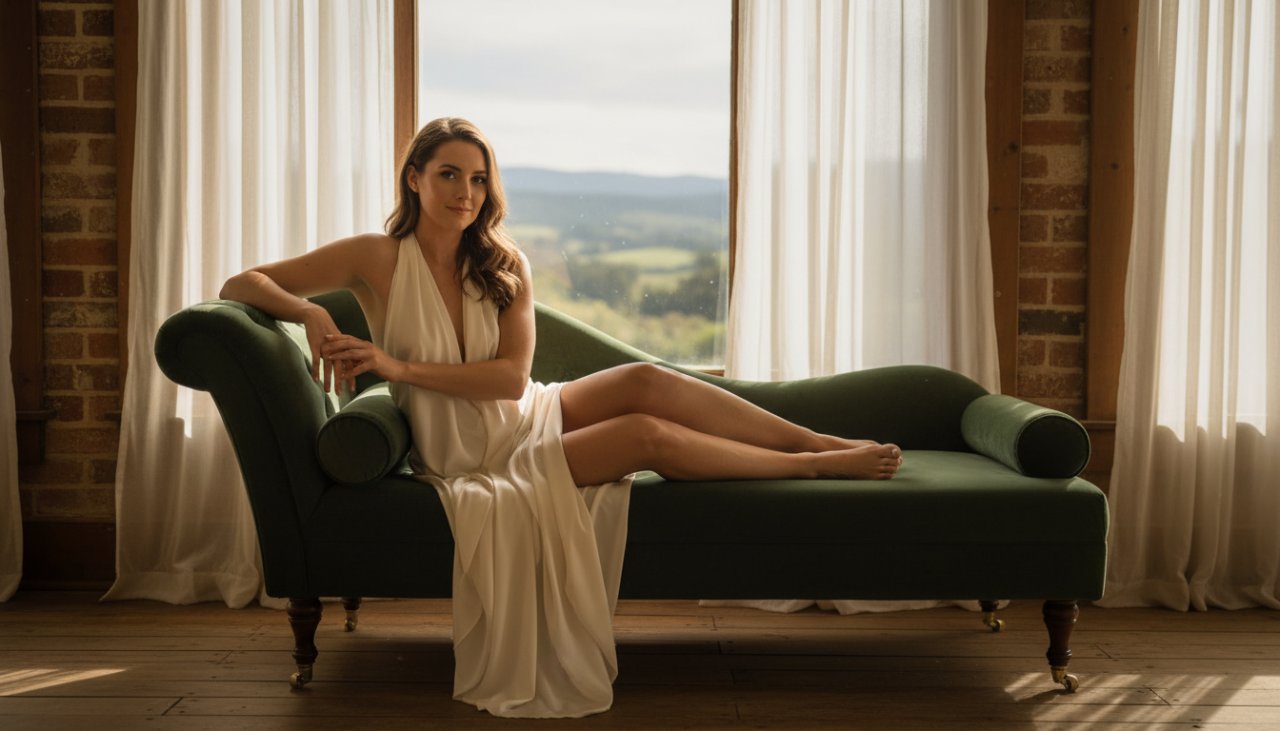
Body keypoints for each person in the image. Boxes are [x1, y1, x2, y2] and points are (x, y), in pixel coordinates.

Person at [220, 117, 902, 718]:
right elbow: (240, 284)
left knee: (647, 379)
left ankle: (817, 437)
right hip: (474, 455)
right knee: (645, 436)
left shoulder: (503, 260)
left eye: (480, 179)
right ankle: (809, 463)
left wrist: (394, 368)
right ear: (414, 179)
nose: (465, 192)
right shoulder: (375, 256)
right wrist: (310, 310)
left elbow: (512, 379)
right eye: (449, 174)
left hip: (525, 412)